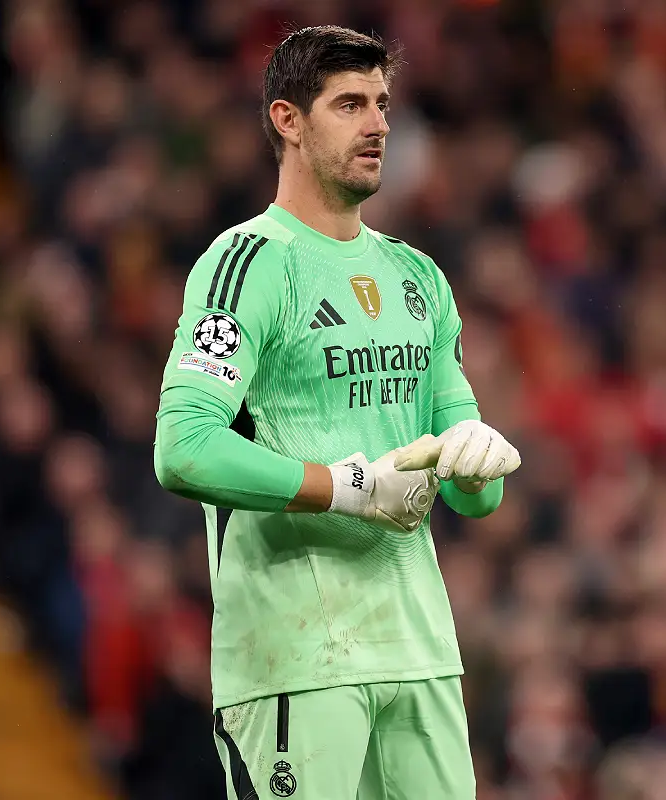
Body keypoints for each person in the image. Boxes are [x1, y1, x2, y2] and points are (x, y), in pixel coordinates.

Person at [153, 25, 520, 800]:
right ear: (288, 121)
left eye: (382, 103)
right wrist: (349, 489)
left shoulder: (418, 276)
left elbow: (475, 499)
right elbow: (184, 448)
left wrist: (476, 455)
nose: (378, 123)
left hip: (420, 651)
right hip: (295, 658)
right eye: (350, 104)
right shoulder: (246, 263)